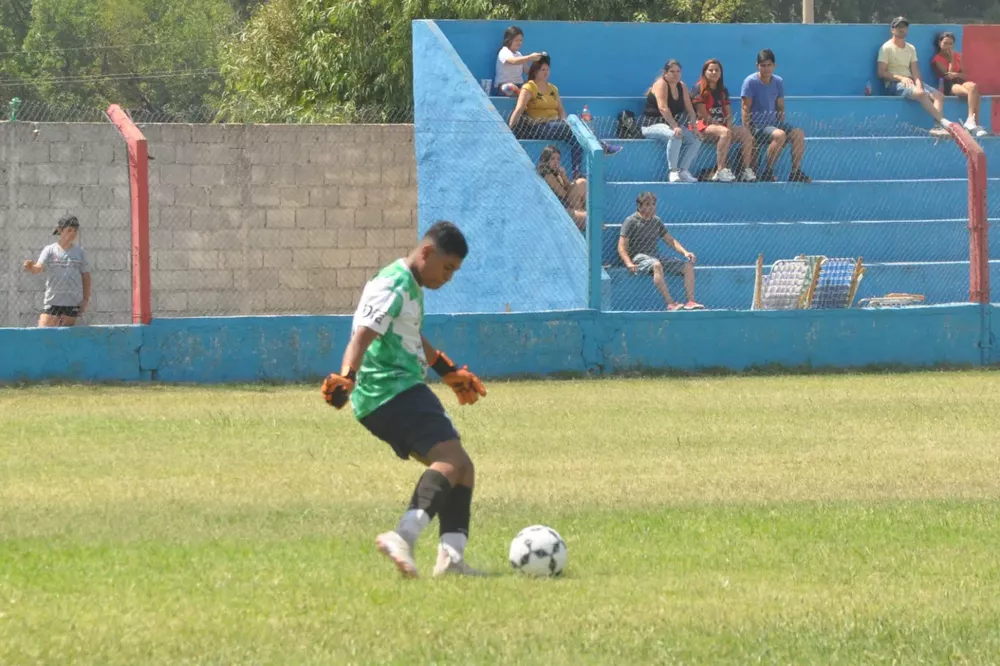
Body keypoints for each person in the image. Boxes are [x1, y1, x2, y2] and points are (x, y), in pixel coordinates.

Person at [321, 221, 487, 579]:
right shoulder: (393, 285)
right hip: (392, 391)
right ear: (427, 253)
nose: (448, 278)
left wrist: (446, 369)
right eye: (447, 268)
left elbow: (409, 333)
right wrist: (347, 376)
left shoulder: (410, 283)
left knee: (462, 468)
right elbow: (362, 335)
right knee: (450, 461)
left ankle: (451, 559)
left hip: (396, 392)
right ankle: (403, 536)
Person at [508, 54, 619, 178]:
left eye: (547, 69)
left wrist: (566, 123)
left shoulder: (553, 88)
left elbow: (560, 109)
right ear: (535, 71)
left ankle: (576, 171)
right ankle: (601, 145)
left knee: (576, 137)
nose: (546, 72)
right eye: (542, 70)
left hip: (557, 125)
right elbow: (519, 108)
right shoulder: (529, 87)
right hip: (539, 126)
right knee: (572, 130)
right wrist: (509, 129)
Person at [617, 192, 704, 311]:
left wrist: (685, 252)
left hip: (655, 257)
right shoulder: (630, 221)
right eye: (647, 204)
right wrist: (628, 263)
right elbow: (621, 246)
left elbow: (670, 240)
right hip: (638, 258)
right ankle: (670, 303)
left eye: (653, 204)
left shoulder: (656, 221)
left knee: (688, 266)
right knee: (656, 265)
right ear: (639, 206)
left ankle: (691, 301)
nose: (651, 207)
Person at [740, 49, 811, 183]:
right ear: (757, 66)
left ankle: (795, 172)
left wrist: (781, 123)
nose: (766, 68)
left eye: (769, 65)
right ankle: (767, 171)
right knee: (779, 135)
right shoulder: (750, 82)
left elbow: (780, 106)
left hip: (774, 124)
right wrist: (747, 132)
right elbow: (745, 108)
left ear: (774, 66)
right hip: (757, 126)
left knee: (798, 134)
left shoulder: (778, 81)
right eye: (763, 65)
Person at [877, 17, 951, 139]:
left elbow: (915, 71)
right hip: (893, 84)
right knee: (921, 94)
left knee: (938, 95)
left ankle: (938, 127)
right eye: (899, 27)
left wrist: (919, 84)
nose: (902, 29)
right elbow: (881, 72)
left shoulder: (910, 48)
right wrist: (901, 78)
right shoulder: (886, 48)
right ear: (892, 30)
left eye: (904, 27)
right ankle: (943, 122)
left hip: (911, 81)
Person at [691, 59, 757, 182]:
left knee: (747, 134)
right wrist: (719, 125)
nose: (714, 72)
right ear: (705, 72)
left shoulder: (722, 90)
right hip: (702, 126)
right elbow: (702, 113)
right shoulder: (698, 88)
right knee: (725, 132)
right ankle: (720, 170)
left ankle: (746, 170)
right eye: (710, 70)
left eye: (717, 70)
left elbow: (728, 110)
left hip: (721, 126)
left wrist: (729, 123)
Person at [22, 214, 90, 327]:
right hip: (53, 301)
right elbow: (38, 268)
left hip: (71, 302)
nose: (72, 234)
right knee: (43, 333)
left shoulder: (80, 252)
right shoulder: (49, 250)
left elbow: (86, 277)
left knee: (65, 336)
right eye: (69, 230)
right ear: (60, 230)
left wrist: (86, 299)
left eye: (75, 231)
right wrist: (30, 267)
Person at [640, 60, 702, 183]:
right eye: (672, 71)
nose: (675, 74)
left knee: (696, 139)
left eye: (678, 71)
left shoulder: (682, 86)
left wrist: (694, 127)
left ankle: (683, 171)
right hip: (651, 125)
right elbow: (663, 107)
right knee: (675, 135)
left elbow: (690, 109)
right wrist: (674, 126)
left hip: (670, 125)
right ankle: (673, 172)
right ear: (665, 73)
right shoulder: (661, 84)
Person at [931, 31, 987, 137]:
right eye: (946, 43)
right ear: (940, 43)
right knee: (975, 95)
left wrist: (956, 74)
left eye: (951, 44)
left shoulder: (958, 56)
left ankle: (971, 120)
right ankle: (976, 124)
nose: (948, 46)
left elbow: (965, 74)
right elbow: (948, 75)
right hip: (948, 85)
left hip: (960, 81)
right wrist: (952, 60)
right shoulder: (936, 59)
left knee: (973, 87)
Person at [537, 144, 587, 232]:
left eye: (558, 159)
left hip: (568, 206)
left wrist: (563, 176)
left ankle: (581, 212)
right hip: (557, 210)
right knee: (591, 219)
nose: (556, 162)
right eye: (552, 159)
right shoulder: (547, 175)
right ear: (545, 160)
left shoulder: (556, 173)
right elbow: (564, 194)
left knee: (582, 183)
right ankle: (583, 214)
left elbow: (569, 187)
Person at [494, 26, 544, 97]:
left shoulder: (519, 54)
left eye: (521, 40)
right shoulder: (504, 51)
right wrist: (530, 57)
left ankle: (523, 93)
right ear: (509, 40)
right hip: (504, 86)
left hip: (519, 85)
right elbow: (513, 61)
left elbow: (527, 71)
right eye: (516, 40)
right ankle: (522, 94)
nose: (519, 42)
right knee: (509, 87)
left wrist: (540, 68)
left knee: (534, 85)